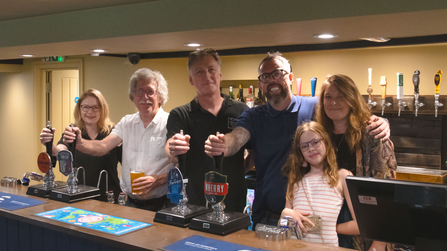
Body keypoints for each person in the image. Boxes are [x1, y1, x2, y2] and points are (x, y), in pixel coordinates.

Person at [204, 52, 390, 228]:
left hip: (315, 218)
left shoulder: (316, 108)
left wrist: (382, 121)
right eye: (265, 77)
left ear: (290, 78)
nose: (271, 80)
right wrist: (224, 144)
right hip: (269, 217)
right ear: (261, 85)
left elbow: (347, 113)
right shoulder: (253, 116)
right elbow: (237, 137)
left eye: (277, 73)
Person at [63, 68, 174, 211]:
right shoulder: (127, 122)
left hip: (163, 204)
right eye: (139, 91)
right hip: (129, 204)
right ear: (133, 96)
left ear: (160, 96)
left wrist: (157, 180)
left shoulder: (171, 123)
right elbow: (103, 146)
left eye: (150, 91)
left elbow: (182, 168)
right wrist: (79, 142)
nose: (144, 96)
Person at [166, 48, 253, 212]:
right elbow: (170, 149)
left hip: (233, 202)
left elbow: (254, 154)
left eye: (211, 70)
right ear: (191, 79)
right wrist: (174, 148)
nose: (206, 75)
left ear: (220, 75)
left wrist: (235, 172)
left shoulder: (242, 111)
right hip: (194, 203)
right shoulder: (180, 114)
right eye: (199, 71)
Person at [316, 74, 396, 250]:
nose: (333, 102)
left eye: (341, 96)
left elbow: (387, 195)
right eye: (328, 97)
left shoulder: (373, 135)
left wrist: (379, 242)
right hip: (329, 232)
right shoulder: (319, 137)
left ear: (352, 100)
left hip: (365, 234)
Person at [281, 121, 358, 247]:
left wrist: (331, 227)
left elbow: (360, 225)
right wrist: (285, 213)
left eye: (315, 142)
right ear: (300, 151)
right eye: (305, 146)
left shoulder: (342, 177)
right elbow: (283, 225)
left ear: (326, 142)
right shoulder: (295, 180)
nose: (311, 148)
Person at [39, 89, 121, 202]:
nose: (90, 112)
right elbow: (61, 152)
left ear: (103, 109)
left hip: (109, 197)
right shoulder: (73, 132)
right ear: (79, 109)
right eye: (85, 107)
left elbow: (128, 163)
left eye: (95, 107)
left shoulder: (114, 133)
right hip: (80, 197)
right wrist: (49, 144)